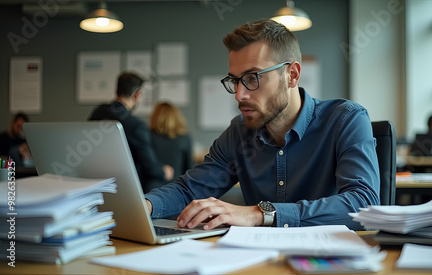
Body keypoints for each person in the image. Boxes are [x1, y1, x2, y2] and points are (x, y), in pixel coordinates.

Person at [145, 19, 380, 230]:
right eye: (235, 81)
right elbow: (189, 190)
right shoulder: (238, 133)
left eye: (252, 78)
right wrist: (144, 205)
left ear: (292, 75)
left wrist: (261, 213)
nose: (239, 95)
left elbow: (363, 203)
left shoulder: (345, 119)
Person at [88, 72, 173, 192]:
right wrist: (164, 171)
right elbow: (150, 167)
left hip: (94, 185)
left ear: (116, 91)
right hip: (125, 189)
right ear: (137, 95)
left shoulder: (98, 112)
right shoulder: (136, 126)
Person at [149, 102, 194, 183]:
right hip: (176, 187)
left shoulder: (147, 136)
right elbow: (189, 169)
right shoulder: (184, 138)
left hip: (151, 188)